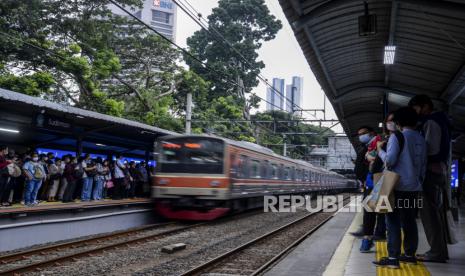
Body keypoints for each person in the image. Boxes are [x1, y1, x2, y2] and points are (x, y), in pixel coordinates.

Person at [373, 107, 427, 268]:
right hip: (414, 187)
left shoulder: (397, 137)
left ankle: (392, 259)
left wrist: (380, 151)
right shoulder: (421, 139)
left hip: (396, 186)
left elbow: (390, 161)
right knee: (409, 220)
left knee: (393, 220)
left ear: (398, 122)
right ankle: (409, 254)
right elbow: (424, 165)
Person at [409, 95, 451, 263]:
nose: (415, 112)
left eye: (416, 108)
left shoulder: (431, 122)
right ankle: (440, 251)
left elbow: (431, 150)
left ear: (425, 106)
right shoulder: (440, 120)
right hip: (438, 171)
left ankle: (436, 252)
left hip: (431, 173)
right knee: (434, 213)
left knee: (429, 214)